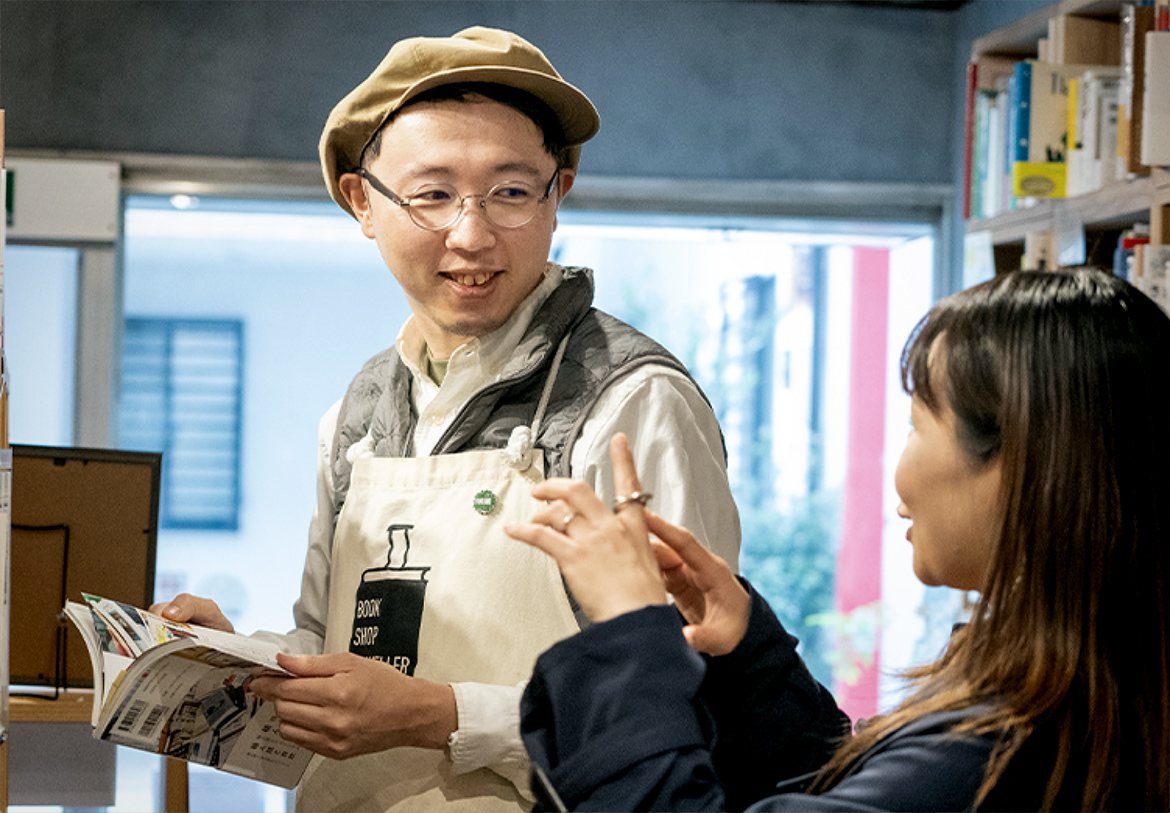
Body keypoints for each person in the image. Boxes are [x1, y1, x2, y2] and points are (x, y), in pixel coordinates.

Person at [150, 26, 749, 812]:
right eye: (431, 194)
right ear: (363, 201)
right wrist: (238, 659)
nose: (472, 234)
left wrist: (440, 715)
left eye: (511, 191)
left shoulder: (631, 400)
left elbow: (680, 704)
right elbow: (335, 645)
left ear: (557, 194)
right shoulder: (359, 412)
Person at [508, 268, 1170, 812]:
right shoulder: (1104, 691)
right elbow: (852, 795)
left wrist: (628, 633)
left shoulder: (1001, 749)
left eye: (917, 425)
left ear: (1024, 463)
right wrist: (751, 662)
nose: (900, 474)